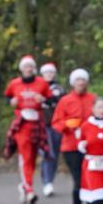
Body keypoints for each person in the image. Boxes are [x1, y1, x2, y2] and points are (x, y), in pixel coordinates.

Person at [51, 68, 96, 204]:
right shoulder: (65, 100)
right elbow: (55, 123)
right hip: (71, 146)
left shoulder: (93, 99)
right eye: (78, 80)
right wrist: (67, 124)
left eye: (83, 79)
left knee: (90, 179)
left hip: (91, 146)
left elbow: (101, 117)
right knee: (78, 180)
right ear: (73, 82)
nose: (81, 82)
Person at [5, 55, 51, 204]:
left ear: (34, 68)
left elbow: (50, 100)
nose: (28, 69)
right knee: (25, 156)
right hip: (22, 124)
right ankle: (30, 190)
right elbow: (7, 97)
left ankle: (24, 185)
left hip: (37, 124)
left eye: (31, 66)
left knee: (32, 157)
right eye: (26, 66)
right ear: (21, 69)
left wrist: (43, 100)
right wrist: (11, 101)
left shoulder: (42, 83)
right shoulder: (14, 84)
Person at [39, 62, 65, 196]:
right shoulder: (36, 87)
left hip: (56, 125)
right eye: (46, 72)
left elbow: (57, 99)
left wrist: (44, 99)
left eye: (51, 72)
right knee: (48, 153)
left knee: (54, 154)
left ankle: (48, 179)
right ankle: (47, 182)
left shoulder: (58, 88)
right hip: (41, 126)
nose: (49, 75)